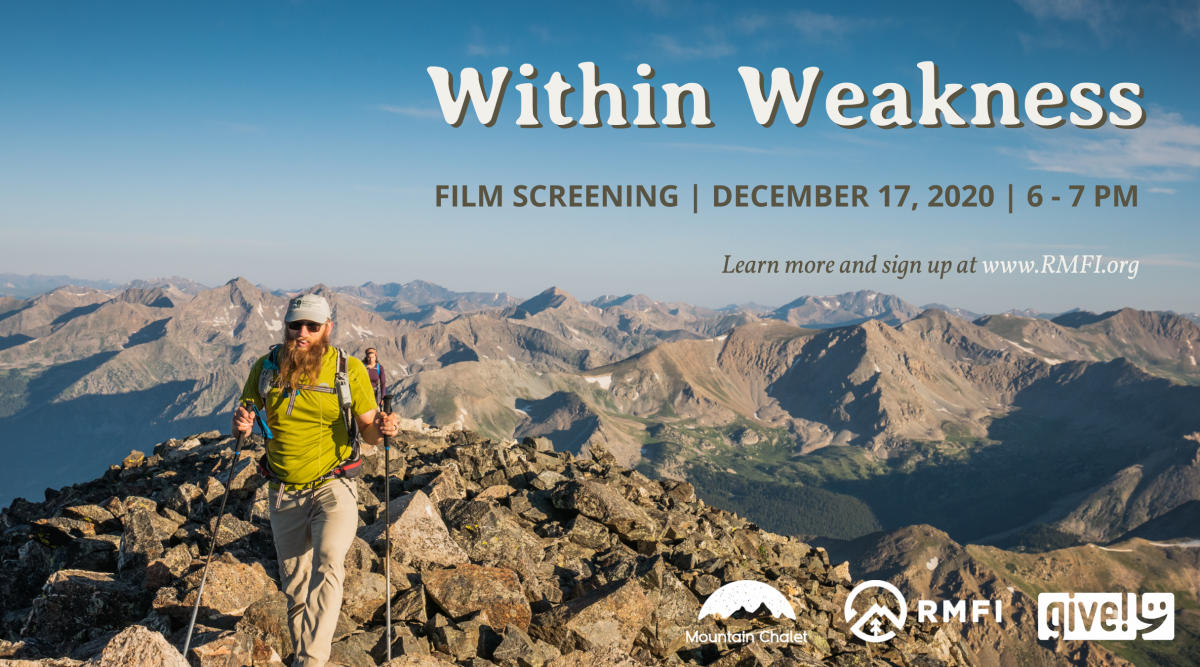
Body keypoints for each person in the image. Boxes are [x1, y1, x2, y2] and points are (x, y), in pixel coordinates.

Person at [232, 294, 398, 667]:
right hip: (283, 490)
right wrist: (240, 425)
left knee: (328, 562)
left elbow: (369, 432)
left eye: (311, 326)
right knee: (295, 587)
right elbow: (244, 419)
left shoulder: (348, 369)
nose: (302, 333)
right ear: (286, 325)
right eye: (296, 325)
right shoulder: (266, 368)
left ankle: (310, 661)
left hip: (334, 483)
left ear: (327, 328)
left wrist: (384, 430)